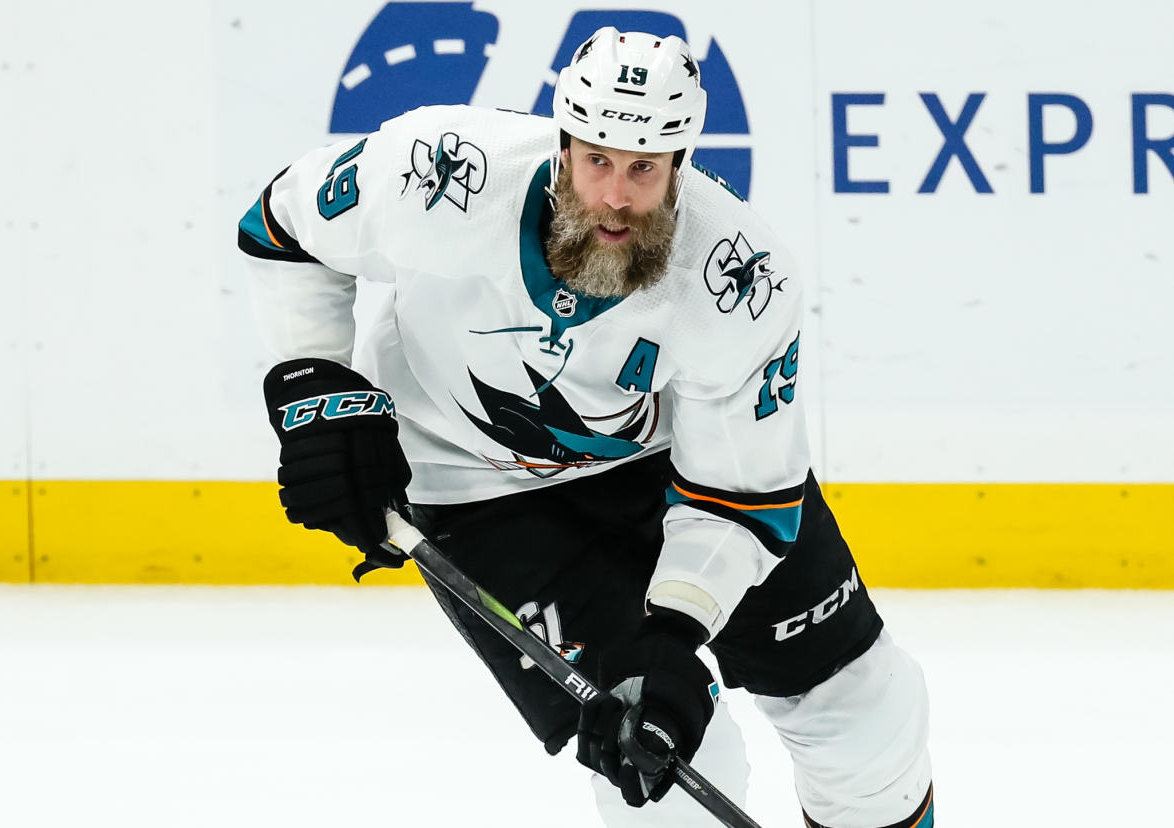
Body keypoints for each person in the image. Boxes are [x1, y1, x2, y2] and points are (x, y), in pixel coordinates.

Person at [239, 26, 933, 828]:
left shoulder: (739, 280)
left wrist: (674, 636)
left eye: (643, 168)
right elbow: (281, 226)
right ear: (563, 144)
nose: (614, 195)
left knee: (863, 713)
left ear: (680, 166)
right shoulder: (439, 172)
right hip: (472, 491)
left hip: (671, 465)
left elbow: (739, 500)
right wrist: (316, 387)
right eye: (597, 158)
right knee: (663, 776)